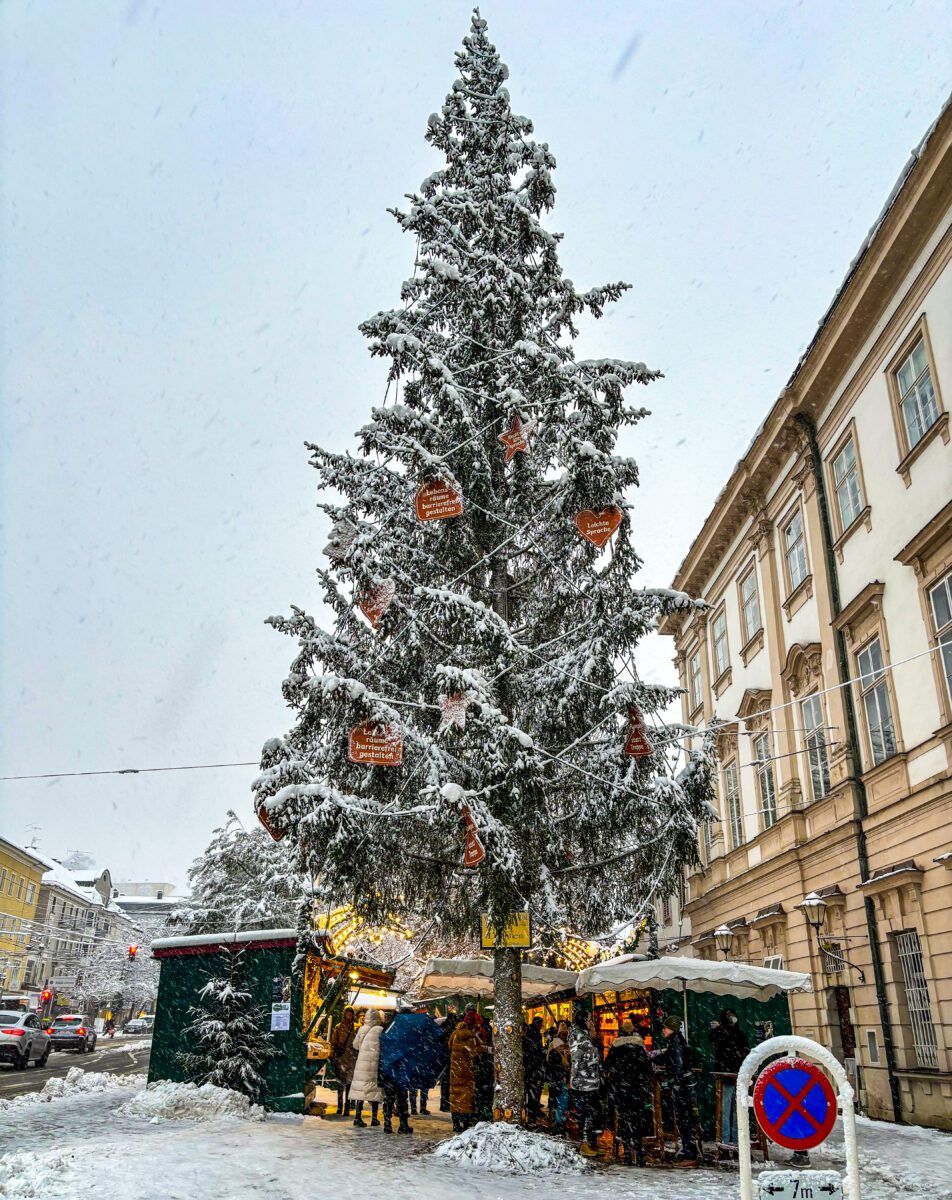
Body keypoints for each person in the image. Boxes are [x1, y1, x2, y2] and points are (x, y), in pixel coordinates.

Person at [379, 1009, 448, 1135]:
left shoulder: (391, 1028)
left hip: (388, 1070)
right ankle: (403, 1124)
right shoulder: (408, 1031)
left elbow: (383, 1045)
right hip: (400, 1071)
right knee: (401, 1097)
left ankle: (387, 1124)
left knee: (389, 1098)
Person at [605, 1021, 652, 1166]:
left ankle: (626, 1154)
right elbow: (647, 1067)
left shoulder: (616, 1046)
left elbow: (607, 1065)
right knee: (637, 1120)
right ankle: (638, 1153)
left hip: (622, 1089)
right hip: (638, 1089)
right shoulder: (639, 1046)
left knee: (624, 1120)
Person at [656, 1015, 697, 1161]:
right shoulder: (677, 1041)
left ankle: (689, 1149)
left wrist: (676, 1082)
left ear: (671, 1028)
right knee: (685, 1117)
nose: (663, 1030)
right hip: (685, 1083)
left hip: (682, 1085)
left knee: (684, 1117)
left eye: (665, 1028)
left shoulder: (675, 1042)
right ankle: (688, 1146)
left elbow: (678, 1064)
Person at [711, 1008, 750, 1145]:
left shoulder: (737, 1034)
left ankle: (734, 1138)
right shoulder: (723, 1033)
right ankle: (729, 1138)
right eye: (728, 1016)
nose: (731, 1018)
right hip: (731, 1075)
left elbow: (745, 1052)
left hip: (735, 1075)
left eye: (732, 1015)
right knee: (730, 1108)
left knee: (733, 1108)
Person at [568, 1009, 602, 1158]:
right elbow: (577, 1059)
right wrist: (576, 1077)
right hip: (584, 1082)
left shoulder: (583, 1035)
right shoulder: (578, 1036)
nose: (591, 1022)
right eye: (589, 1019)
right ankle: (584, 1143)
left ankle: (588, 1142)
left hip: (589, 1080)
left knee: (591, 1113)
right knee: (586, 1113)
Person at [448, 1005, 484, 1132]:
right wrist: (483, 1048)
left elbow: (449, 1045)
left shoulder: (455, 1033)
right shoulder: (470, 1036)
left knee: (455, 1097)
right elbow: (472, 1052)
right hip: (467, 1072)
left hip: (455, 1071)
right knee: (466, 1098)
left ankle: (455, 1122)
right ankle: (466, 1122)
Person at [350, 1009, 384, 1127]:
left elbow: (355, 1045)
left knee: (360, 1091)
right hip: (374, 1064)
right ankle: (374, 1118)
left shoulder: (362, 1028)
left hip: (361, 1064)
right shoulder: (379, 1030)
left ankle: (357, 1117)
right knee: (374, 1091)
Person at [329, 1006, 358, 1117]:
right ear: (344, 1014)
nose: (349, 1016)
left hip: (350, 1060)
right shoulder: (338, 1027)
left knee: (349, 1084)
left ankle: (347, 1106)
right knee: (340, 1084)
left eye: (350, 1014)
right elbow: (333, 1042)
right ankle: (340, 1106)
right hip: (341, 1059)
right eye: (347, 1013)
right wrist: (332, 1055)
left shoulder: (356, 1027)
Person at [546, 1020, 571, 1133]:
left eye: (566, 1033)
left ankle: (559, 1117)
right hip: (557, 1074)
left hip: (563, 1074)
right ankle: (555, 1116)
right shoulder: (554, 1044)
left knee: (561, 1096)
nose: (565, 1035)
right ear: (559, 1034)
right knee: (557, 1095)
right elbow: (549, 1059)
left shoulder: (569, 1044)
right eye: (563, 1033)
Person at [523, 1016, 546, 1125]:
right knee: (532, 1093)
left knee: (530, 1093)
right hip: (531, 1069)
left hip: (529, 1069)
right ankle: (531, 1115)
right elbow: (536, 1052)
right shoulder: (531, 1038)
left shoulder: (530, 1037)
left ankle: (530, 1113)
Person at [436, 1008, 459, 1112]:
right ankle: (450, 1103)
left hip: (443, 1059)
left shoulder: (443, 1030)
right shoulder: (455, 1031)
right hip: (453, 1059)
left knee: (445, 1082)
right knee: (451, 1082)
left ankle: (444, 1104)